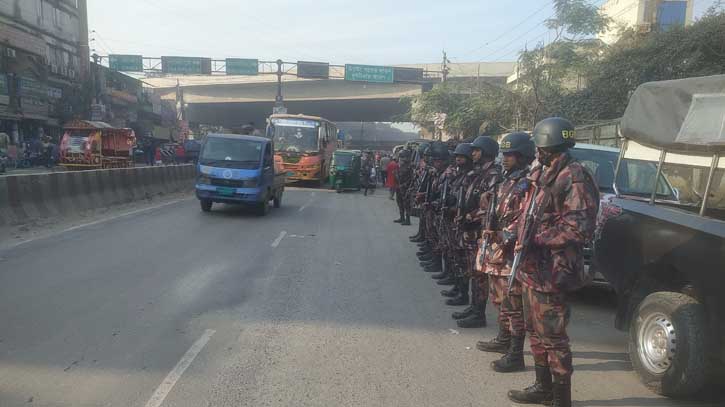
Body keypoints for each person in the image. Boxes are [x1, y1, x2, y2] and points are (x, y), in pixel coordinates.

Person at [507, 118, 599, 407]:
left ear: (548, 144)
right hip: (532, 267)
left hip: (552, 270)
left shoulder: (573, 176)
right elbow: (529, 213)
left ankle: (561, 398)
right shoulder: (544, 172)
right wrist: (516, 235)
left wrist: (537, 238)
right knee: (535, 331)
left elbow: (578, 226)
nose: (535, 150)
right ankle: (542, 386)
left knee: (553, 336)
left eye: (539, 146)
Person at [476, 132, 535, 374]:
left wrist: (505, 235)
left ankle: (515, 353)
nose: (506, 158)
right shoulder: (506, 179)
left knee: (513, 304)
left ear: (522, 157)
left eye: (511, 155)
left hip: (511, 251)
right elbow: (499, 207)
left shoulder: (527, 183)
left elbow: (525, 217)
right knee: (499, 298)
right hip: (497, 249)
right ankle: (503, 338)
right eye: (505, 154)